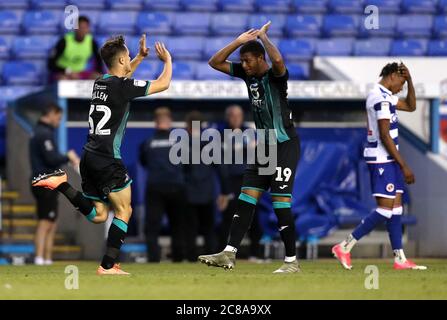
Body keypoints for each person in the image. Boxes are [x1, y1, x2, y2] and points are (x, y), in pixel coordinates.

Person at [32, 34, 172, 275]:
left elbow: (123, 79)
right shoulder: (123, 87)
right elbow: (163, 83)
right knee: (124, 211)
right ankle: (108, 266)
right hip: (108, 158)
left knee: (99, 215)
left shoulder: (100, 82)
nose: (129, 59)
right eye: (127, 56)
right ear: (120, 59)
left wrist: (138, 57)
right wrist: (167, 60)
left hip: (89, 156)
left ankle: (62, 185)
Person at [198, 22, 301, 273]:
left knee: (280, 204)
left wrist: (264, 37)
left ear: (259, 59)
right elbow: (214, 62)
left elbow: (278, 61)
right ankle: (229, 253)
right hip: (264, 147)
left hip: (284, 144)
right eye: (241, 61)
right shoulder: (248, 75)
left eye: (248, 60)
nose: (243, 65)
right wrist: (237, 41)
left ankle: (291, 262)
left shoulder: (275, 77)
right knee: (246, 198)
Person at [332, 62, 427, 271]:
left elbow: (411, 106)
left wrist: (410, 80)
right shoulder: (380, 98)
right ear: (392, 76)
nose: (401, 88)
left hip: (389, 159)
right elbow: (384, 135)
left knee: (396, 208)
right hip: (382, 159)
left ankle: (400, 259)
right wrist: (404, 166)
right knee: (385, 210)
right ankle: (344, 246)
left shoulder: (387, 95)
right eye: (401, 82)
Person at [29, 103, 80, 265]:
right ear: (50, 114)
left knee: (51, 221)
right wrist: (68, 156)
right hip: (44, 182)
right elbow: (51, 158)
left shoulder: (41, 132)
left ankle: (46, 258)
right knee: (45, 222)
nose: (59, 121)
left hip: (47, 181)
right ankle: (39, 257)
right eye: (58, 118)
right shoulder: (43, 134)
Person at [139, 107, 187, 262]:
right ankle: (178, 259)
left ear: (155, 122)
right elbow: (186, 164)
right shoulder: (179, 142)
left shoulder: (148, 143)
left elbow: (144, 162)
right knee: (178, 225)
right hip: (176, 186)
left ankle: (153, 259)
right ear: (169, 121)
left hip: (155, 187)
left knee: (152, 226)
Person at [184, 111, 230, 262]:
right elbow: (222, 170)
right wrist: (225, 192)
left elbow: (177, 170)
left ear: (188, 126)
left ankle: (190, 258)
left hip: (188, 193)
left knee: (190, 229)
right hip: (207, 193)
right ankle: (210, 257)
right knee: (208, 229)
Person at [218, 104, 263, 261]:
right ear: (228, 117)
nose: (236, 118)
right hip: (231, 181)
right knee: (228, 218)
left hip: (249, 179)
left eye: (238, 115)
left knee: (253, 216)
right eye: (232, 115)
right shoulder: (221, 133)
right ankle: (223, 253)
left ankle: (255, 253)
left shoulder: (250, 132)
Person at [48, 16, 103, 81]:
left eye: (85, 28)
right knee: (63, 79)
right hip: (63, 72)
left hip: (80, 73)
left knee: (98, 77)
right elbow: (51, 64)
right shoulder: (64, 41)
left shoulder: (92, 42)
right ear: (75, 28)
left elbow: (99, 61)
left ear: (88, 29)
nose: (82, 30)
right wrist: (68, 71)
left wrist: (97, 71)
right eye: (80, 27)